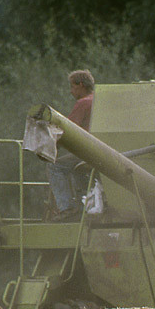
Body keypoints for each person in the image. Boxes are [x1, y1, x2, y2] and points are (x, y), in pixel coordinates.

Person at [47, 69, 94, 220]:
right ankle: (86, 204)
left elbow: (67, 131)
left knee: (55, 167)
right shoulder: (98, 100)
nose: (71, 91)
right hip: (102, 152)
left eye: (72, 87)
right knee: (76, 168)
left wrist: (51, 145)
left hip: (88, 152)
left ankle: (67, 207)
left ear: (81, 85)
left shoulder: (83, 103)